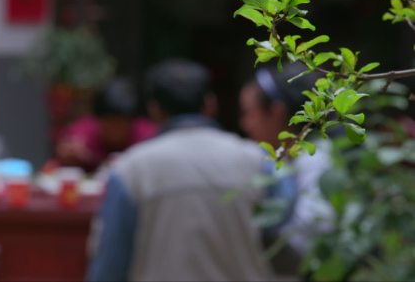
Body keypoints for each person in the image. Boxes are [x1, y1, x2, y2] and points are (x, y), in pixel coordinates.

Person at [88, 60, 274, 281]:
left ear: (154, 109)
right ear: (210, 104)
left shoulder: (131, 171)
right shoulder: (258, 162)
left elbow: (109, 268)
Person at [239, 64, 334, 256]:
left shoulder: (316, 160)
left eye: (249, 113)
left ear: (277, 112)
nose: (244, 124)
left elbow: (315, 230)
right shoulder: (288, 160)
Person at [55, 78, 157, 172]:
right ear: (97, 120)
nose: (115, 131)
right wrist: (68, 157)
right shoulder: (81, 135)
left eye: (120, 123)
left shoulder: (148, 138)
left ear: (133, 121)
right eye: (110, 123)